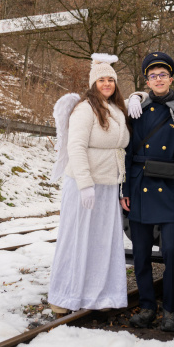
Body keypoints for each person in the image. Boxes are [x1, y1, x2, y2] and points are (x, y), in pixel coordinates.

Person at [47, 53, 131, 313]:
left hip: (108, 186)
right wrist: (85, 184)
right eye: (101, 80)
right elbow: (76, 146)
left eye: (111, 80)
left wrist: (140, 96)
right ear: (93, 83)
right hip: (86, 186)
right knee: (77, 239)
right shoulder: (85, 109)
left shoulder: (116, 109)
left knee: (101, 242)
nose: (107, 84)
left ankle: (99, 294)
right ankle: (63, 296)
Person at [121, 52, 174, 332]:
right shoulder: (137, 110)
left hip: (171, 189)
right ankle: (148, 307)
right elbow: (126, 153)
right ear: (146, 80)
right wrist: (124, 189)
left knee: (172, 251)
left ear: (172, 79)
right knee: (140, 253)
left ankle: (171, 310)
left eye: (163, 75)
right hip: (139, 187)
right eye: (153, 75)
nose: (158, 79)